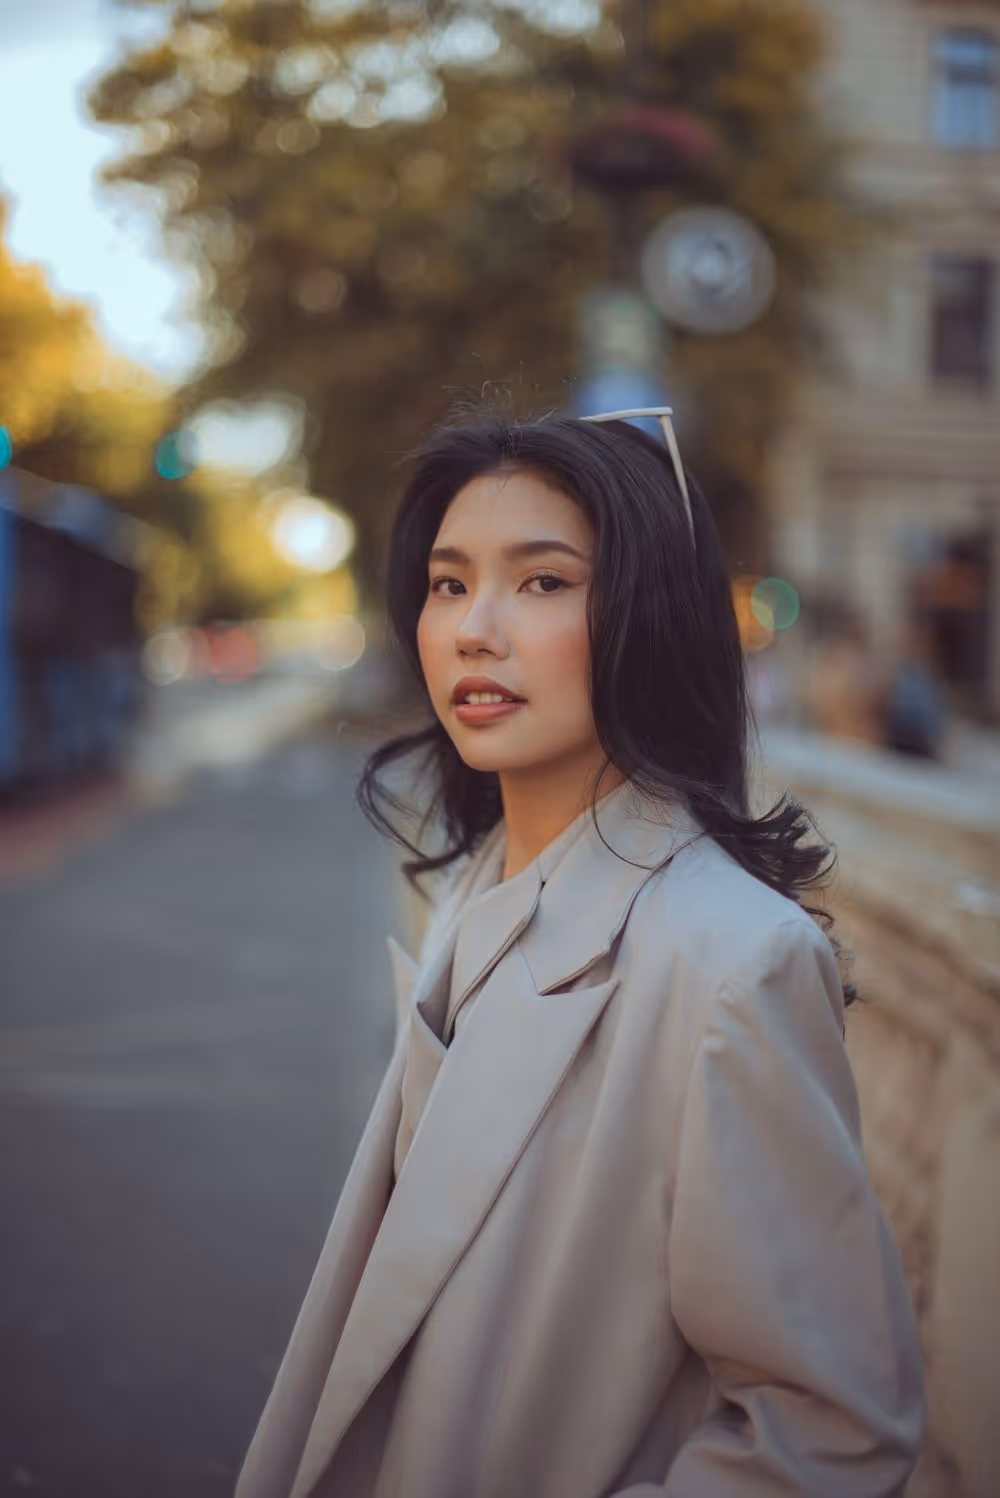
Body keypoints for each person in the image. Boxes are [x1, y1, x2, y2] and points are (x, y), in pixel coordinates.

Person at [235, 408, 926, 1498]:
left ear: (649, 618)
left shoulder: (733, 961)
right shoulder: (478, 882)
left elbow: (828, 1434)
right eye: (449, 582)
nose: (474, 628)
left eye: (544, 582)